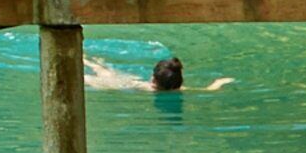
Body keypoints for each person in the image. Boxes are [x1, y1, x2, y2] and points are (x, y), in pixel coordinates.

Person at [85, 51, 233, 92]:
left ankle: (86, 60)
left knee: (103, 73)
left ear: (153, 79)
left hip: (124, 83)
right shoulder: (179, 91)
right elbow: (208, 90)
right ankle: (87, 61)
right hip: (125, 83)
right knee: (101, 73)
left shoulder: (147, 88)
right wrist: (220, 82)